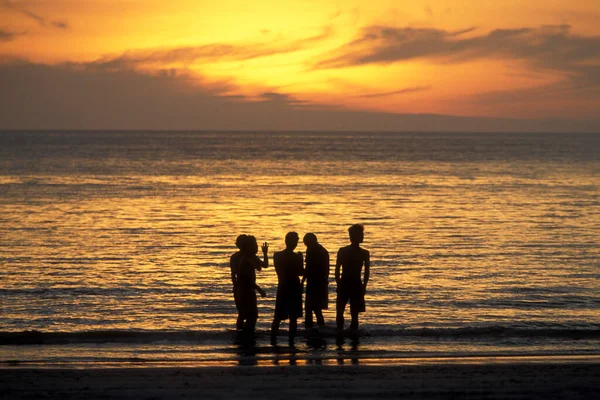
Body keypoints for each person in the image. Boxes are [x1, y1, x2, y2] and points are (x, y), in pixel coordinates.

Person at [271, 232, 304, 346]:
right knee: (293, 317)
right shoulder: (296, 257)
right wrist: (301, 259)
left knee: (278, 317)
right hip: (294, 286)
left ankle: (273, 341)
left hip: (283, 286)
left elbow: (278, 271)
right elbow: (300, 272)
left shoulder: (277, 255)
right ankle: (291, 342)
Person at [335, 224, 370, 332]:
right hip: (352, 283)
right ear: (356, 236)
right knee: (351, 313)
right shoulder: (362, 253)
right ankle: (348, 336)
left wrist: (339, 283)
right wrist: (363, 286)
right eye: (361, 234)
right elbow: (366, 273)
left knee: (344, 311)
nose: (363, 236)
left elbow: (337, 270)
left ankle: (342, 335)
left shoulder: (345, 251)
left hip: (349, 283)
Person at [235, 235, 268, 333]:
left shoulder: (252, 257)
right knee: (250, 315)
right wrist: (259, 289)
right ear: (248, 247)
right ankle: (245, 333)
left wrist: (265, 253)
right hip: (245, 291)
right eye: (255, 245)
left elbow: (265, 265)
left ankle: (244, 332)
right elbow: (246, 280)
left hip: (249, 290)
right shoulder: (245, 260)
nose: (257, 247)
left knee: (248, 315)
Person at [302, 233, 329, 329]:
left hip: (317, 284)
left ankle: (311, 327)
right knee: (314, 309)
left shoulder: (320, 252)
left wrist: (302, 281)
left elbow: (308, 268)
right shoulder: (315, 250)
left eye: (307, 243)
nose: (306, 245)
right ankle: (315, 327)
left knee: (312, 308)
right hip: (315, 283)